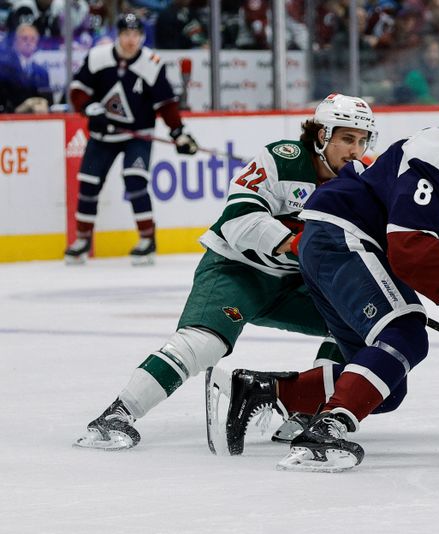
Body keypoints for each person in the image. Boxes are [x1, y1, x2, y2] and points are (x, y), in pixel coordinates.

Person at [207, 79, 439, 472]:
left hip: (339, 242)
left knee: (385, 384)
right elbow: (409, 248)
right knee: (404, 334)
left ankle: (260, 390)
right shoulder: (432, 156)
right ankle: (325, 432)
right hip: (341, 235)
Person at [73, 93, 379, 451]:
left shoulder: (359, 182)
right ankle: (118, 413)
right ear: (321, 135)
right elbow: (238, 220)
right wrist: (296, 243)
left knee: (358, 322)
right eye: (346, 138)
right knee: (204, 343)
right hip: (238, 270)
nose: (355, 150)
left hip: (297, 281)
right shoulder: (284, 159)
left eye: (361, 140)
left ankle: (305, 411)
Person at [64, 13, 198, 266]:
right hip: (103, 135)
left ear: (142, 37)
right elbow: (78, 90)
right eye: (126, 34)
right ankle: (82, 240)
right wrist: (89, 107)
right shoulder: (98, 57)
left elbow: (166, 104)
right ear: (118, 35)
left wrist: (178, 132)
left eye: (136, 35)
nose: (131, 40)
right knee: (89, 183)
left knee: (135, 181)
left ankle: (147, 239)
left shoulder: (151, 63)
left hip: (138, 135)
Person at [0, 23, 51, 113]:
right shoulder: (4, 68)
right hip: (11, 121)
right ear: (15, 41)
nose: (28, 42)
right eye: (24, 38)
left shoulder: (42, 72)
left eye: (32, 39)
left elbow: (49, 101)